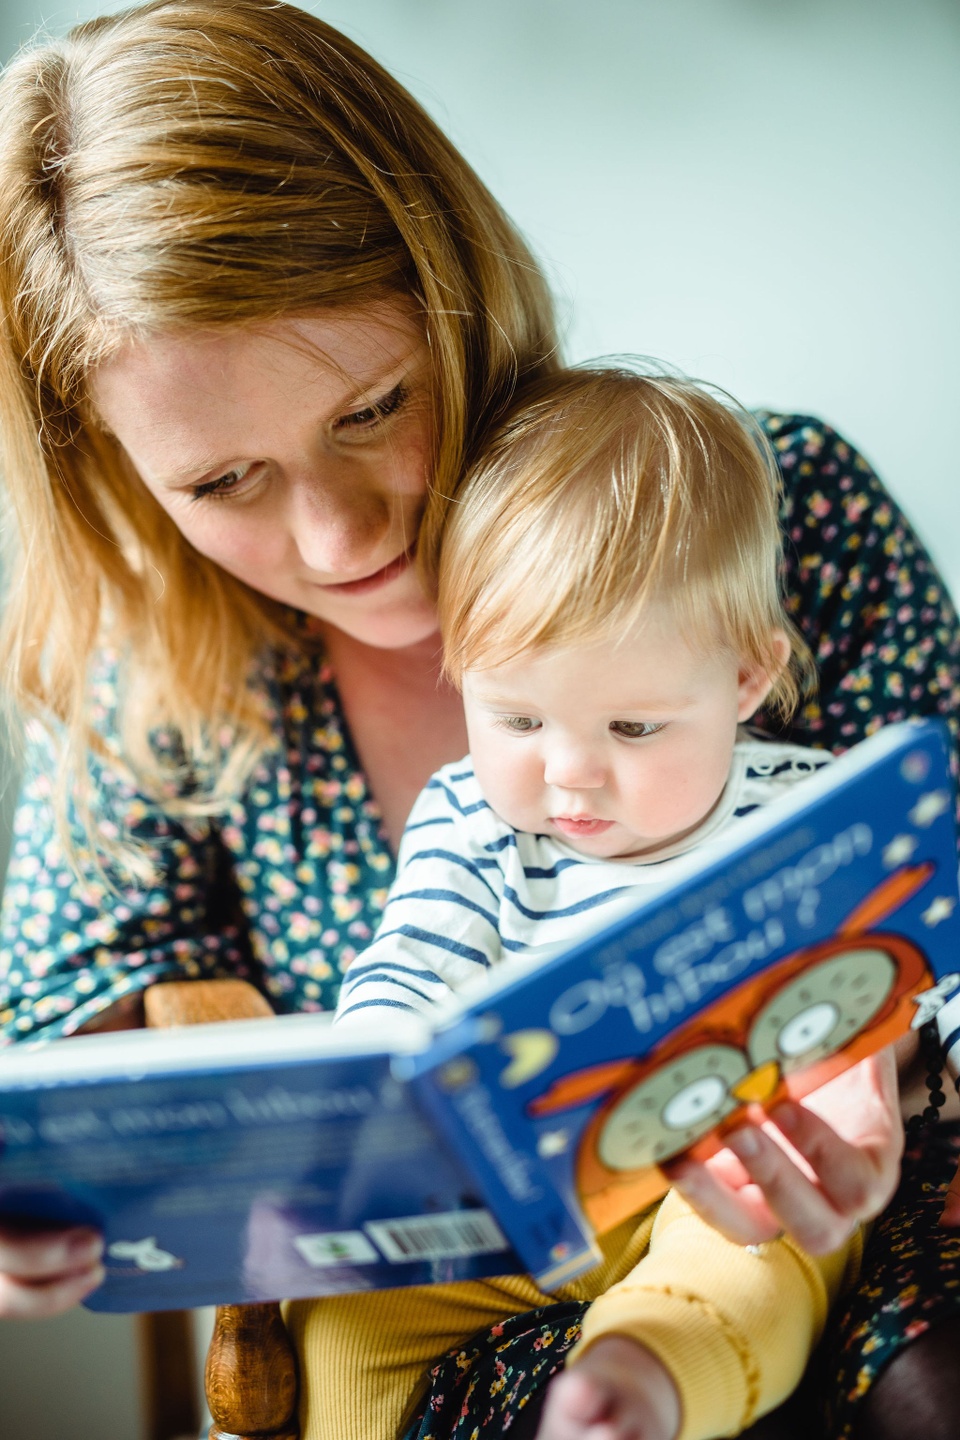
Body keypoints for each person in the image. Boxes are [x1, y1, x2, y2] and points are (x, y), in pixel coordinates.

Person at [0, 2, 953, 1436]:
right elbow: (64, 1019)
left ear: (452, 283)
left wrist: (877, 1061)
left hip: (808, 1211)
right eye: (223, 481)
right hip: (446, 1293)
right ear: (119, 474)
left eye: (371, 408)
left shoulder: (766, 513)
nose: (337, 540)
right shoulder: (159, 675)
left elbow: (931, 877)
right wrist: (45, 1194)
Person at [323, 365, 861, 1440]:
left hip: (719, 1174)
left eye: (633, 728)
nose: (569, 774)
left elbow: (925, 966)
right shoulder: (471, 820)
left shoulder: (807, 819)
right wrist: (362, 1101)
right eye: (518, 719)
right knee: (342, 1313)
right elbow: (405, 970)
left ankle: (636, 1384)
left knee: (757, 1258)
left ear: (747, 678)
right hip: (512, 1206)